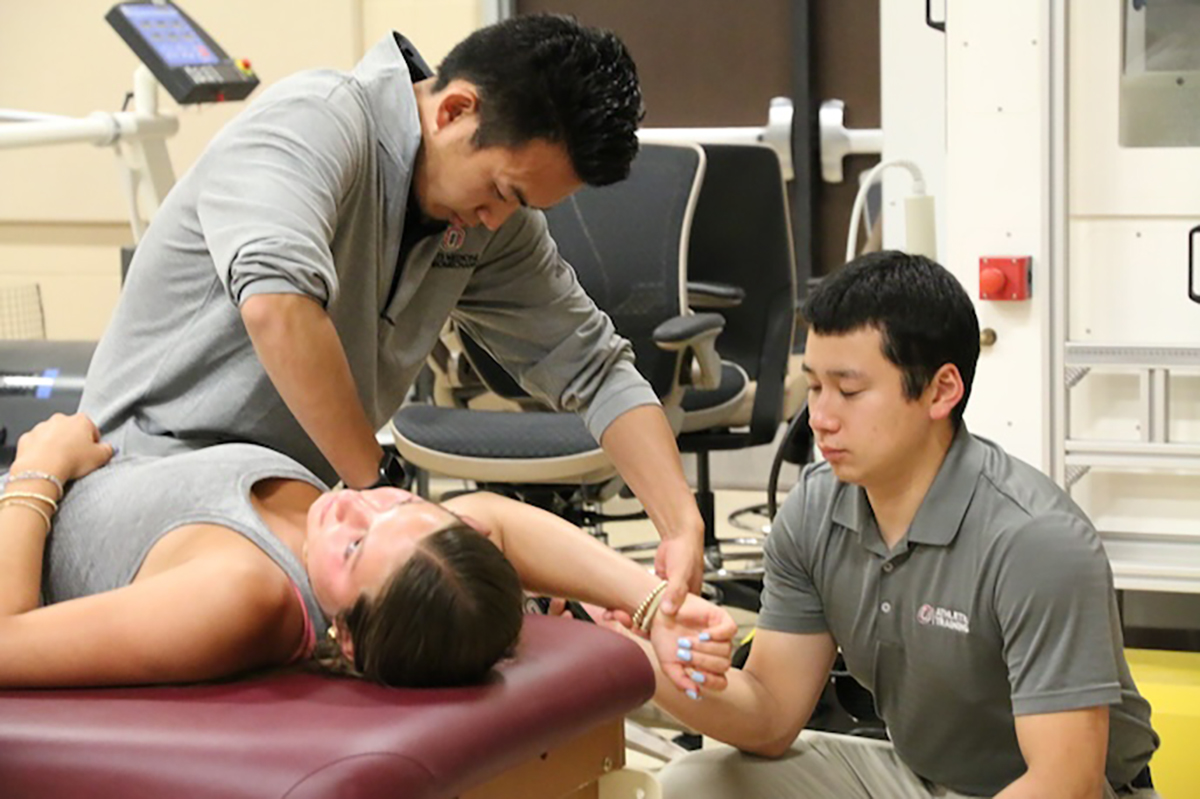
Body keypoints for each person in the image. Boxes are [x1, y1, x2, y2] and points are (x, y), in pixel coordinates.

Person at [78, 13, 703, 617]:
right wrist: (381, 490)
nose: (498, 221)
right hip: (144, 474)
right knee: (425, 587)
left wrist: (679, 521)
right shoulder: (317, 120)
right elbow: (279, 305)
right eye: (502, 193)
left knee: (481, 559)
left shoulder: (490, 224)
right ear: (454, 110)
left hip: (298, 505)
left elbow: (594, 366)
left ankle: (639, 607)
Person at [624, 252, 1161, 798]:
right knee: (697, 783)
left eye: (850, 391)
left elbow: (1064, 781)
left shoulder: (1035, 542)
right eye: (813, 387)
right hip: (919, 779)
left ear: (941, 391)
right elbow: (768, 716)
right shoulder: (813, 511)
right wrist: (634, 652)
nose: (820, 417)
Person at [0, 413, 735, 690]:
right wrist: (653, 601)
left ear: (345, 637)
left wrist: (39, 468)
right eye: (400, 504)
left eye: (353, 545)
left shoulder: (240, 594)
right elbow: (492, 523)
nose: (355, 501)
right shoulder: (353, 546)